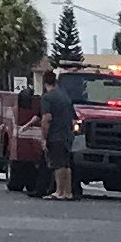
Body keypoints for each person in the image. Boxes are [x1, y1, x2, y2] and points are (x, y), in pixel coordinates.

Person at [40, 62, 84, 202]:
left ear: (44, 82)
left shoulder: (47, 98)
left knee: (58, 165)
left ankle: (59, 191)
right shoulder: (65, 97)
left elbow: (46, 118)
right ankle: (68, 192)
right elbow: (73, 118)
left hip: (55, 135)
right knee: (66, 165)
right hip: (67, 135)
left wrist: (44, 137)